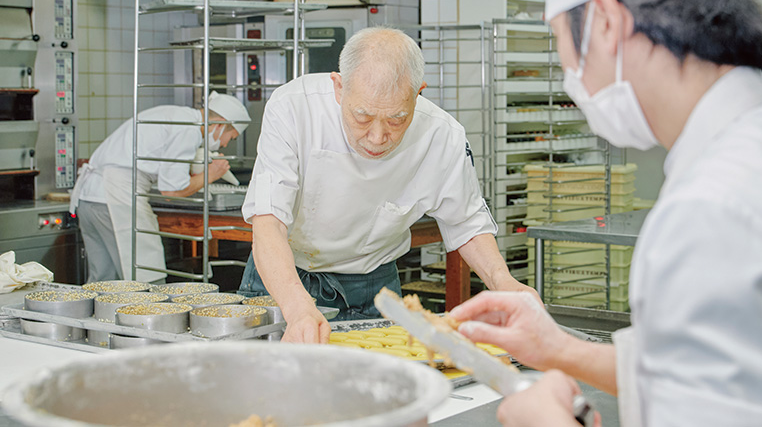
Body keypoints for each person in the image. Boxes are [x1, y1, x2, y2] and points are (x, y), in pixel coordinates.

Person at [449, 0, 762, 426]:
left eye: (561, 41)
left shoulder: (711, 212)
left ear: (607, 23)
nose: (571, 70)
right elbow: (724, 374)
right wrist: (560, 348)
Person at [238, 26, 538, 342]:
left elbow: (467, 224)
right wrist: (297, 306)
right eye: (362, 117)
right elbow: (268, 224)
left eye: (396, 120)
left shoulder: (442, 136)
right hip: (281, 278)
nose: (378, 137)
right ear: (339, 87)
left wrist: (503, 282)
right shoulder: (294, 108)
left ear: (418, 92)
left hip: (373, 287)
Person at [70, 92, 251, 283]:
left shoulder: (175, 115)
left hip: (88, 197)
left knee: (103, 280)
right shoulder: (188, 129)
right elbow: (172, 191)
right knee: (147, 276)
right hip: (115, 199)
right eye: (230, 138)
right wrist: (210, 175)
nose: (223, 144)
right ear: (221, 123)